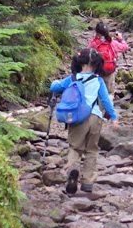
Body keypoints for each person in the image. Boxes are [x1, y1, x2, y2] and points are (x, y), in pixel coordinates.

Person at [50, 48, 119, 194]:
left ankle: (73, 169)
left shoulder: (72, 79)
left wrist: (55, 82)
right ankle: (87, 182)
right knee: (92, 150)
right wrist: (113, 117)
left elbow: (55, 87)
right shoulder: (99, 80)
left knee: (75, 147)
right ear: (96, 64)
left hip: (76, 118)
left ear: (79, 62)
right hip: (95, 117)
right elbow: (106, 100)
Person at [86, 21, 129, 97]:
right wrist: (121, 39)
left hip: (98, 72)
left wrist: (95, 38)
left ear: (97, 33)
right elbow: (125, 48)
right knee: (109, 93)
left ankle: (99, 107)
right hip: (109, 71)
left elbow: (86, 51)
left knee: (98, 92)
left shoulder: (95, 44)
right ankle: (109, 107)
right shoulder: (112, 42)